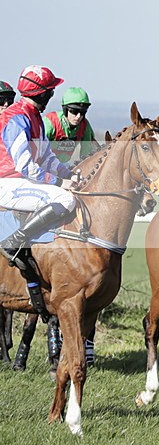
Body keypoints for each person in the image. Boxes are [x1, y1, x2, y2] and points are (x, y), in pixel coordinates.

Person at [0, 65, 76, 315]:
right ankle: (15, 242)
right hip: (8, 182)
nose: (52, 95)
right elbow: (25, 166)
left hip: (20, 181)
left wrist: (70, 174)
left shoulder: (35, 118)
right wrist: (58, 183)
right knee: (65, 200)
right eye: (51, 91)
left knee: (69, 192)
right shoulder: (17, 117)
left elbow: (47, 158)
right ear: (42, 94)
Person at [43, 87, 100, 163]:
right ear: (65, 110)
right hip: (41, 166)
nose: (78, 116)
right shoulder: (50, 123)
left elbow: (86, 156)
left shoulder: (84, 126)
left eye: (82, 112)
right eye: (74, 111)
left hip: (62, 166)